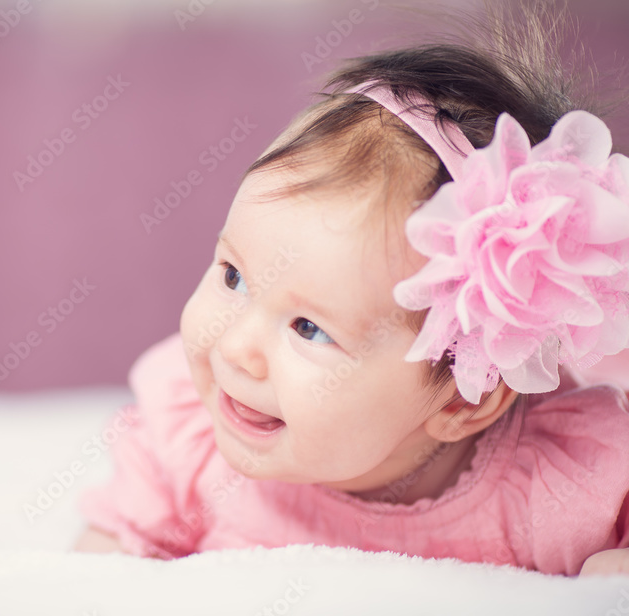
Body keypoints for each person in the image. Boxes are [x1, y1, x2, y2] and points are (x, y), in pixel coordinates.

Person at [74, 1, 629, 577]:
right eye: (233, 276)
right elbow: (99, 574)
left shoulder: (562, 487)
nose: (235, 347)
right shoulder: (187, 448)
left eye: (308, 328)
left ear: (465, 400)